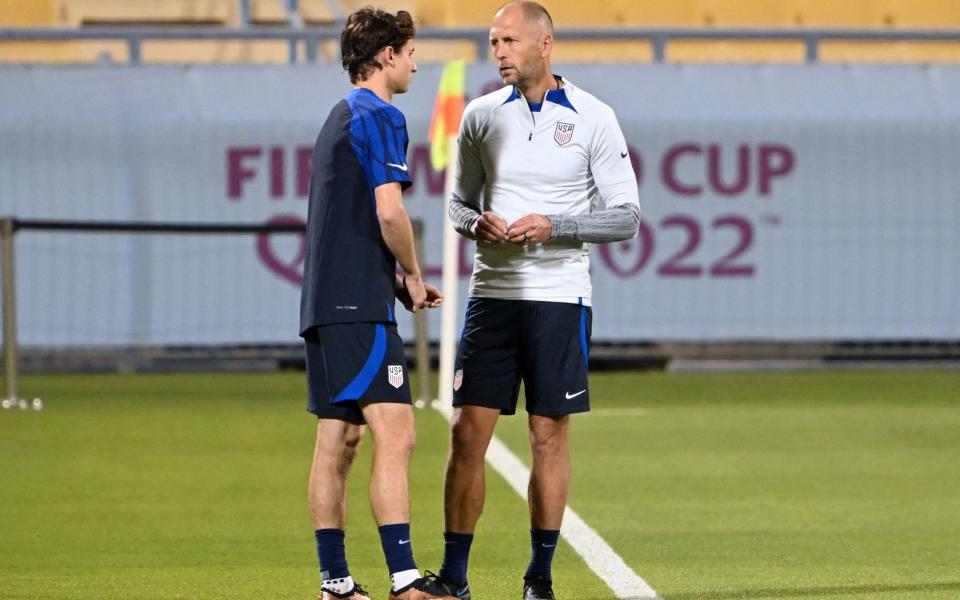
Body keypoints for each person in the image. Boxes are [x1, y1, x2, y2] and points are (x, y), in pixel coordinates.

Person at [431, 2, 641, 600]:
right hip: (491, 297)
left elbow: (626, 218)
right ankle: (455, 577)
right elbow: (458, 205)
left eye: (508, 41)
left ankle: (539, 577)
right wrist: (477, 226)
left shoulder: (595, 117)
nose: (498, 51)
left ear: (545, 44)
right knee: (468, 433)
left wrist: (555, 225)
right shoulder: (478, 115)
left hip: (559, 298)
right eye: (492, 42)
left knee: (548, 435)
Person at [299, 8, 454, 600]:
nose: (416, 62)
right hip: (355, 308)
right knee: (397, 431)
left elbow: (347, 222)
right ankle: (406, 580)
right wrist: (413, 276)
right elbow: (389, 212)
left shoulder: (339, 116)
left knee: (338, 439)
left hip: (326, 300)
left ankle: (336, 585)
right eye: (411, 52)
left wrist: (388, 280)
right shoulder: (381, 113)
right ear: (386, 56)